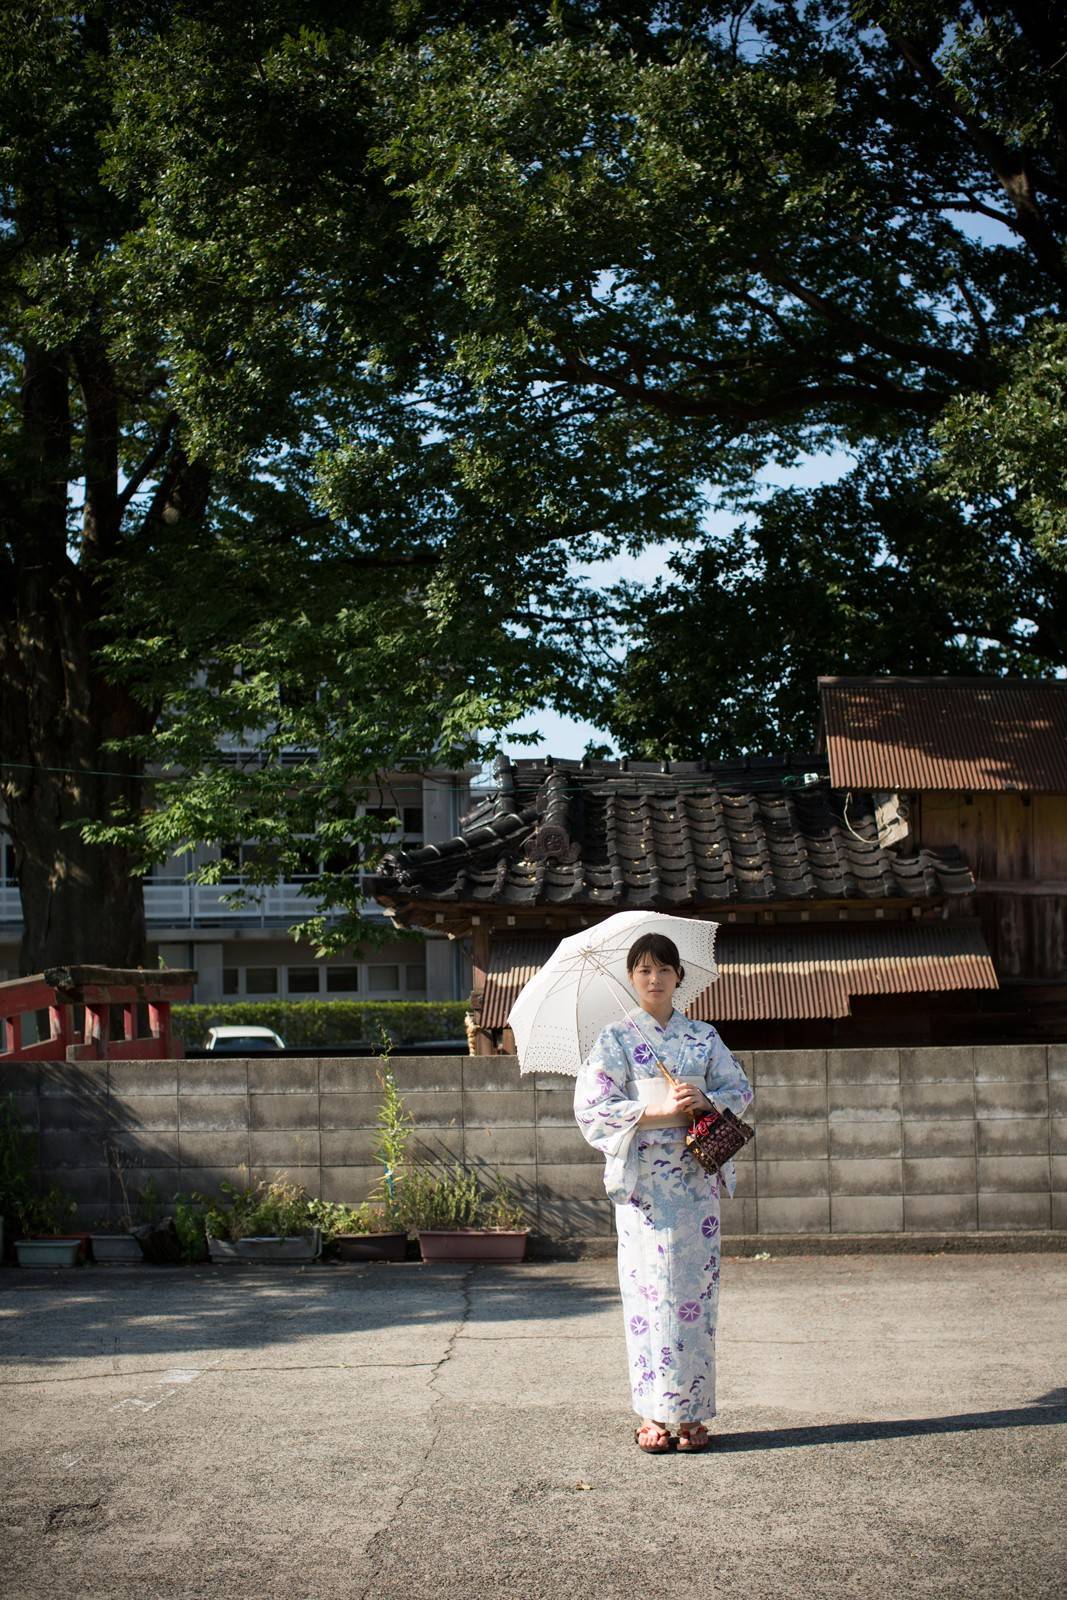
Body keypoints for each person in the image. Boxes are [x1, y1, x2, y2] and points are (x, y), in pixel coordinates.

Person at [573, 932, 754, 1453]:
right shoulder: (615, 1039)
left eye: (664, 970)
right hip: (646, 1190)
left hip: (695, 1183)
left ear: (680, 977)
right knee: (648, 1296)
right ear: (632, 979)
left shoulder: (703, 1037)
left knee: (694, 1297)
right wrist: (650, 1111)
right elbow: (592, 1107)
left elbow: (740, 1090)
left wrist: (704, 1096)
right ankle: (653, 1415)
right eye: (644, 971)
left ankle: (693, 1416)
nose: (654, 979)